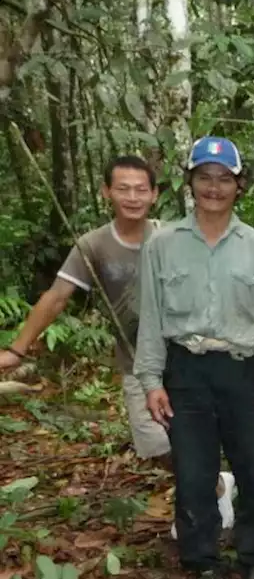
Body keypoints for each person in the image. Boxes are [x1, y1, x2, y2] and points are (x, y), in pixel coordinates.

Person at [135, 137, 254, 579]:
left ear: (239, 185)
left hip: (243, 368)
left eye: (223, 178)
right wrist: (151, 381)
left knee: (253, 466)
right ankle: (203, 564)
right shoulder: (163, 245)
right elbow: (151, 318)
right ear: (189, 183)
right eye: (204, 177)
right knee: (193, 471)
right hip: (185, 369)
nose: (213, 187)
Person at [0, 156, 170, 462]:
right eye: (123, 189)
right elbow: (56, 297)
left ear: (154, 194)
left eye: (141, 189)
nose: (133, 198)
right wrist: (17, 350)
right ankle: (217, 489)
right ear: (106, 192)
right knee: (157, 448)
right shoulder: (93, 246)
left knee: (193, 438)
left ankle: (210, 499)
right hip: (137, 363)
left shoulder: (171, 238)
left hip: (183, 359)